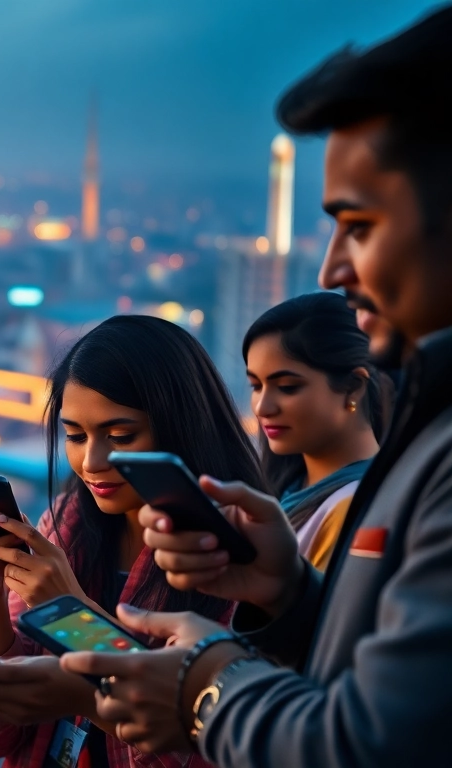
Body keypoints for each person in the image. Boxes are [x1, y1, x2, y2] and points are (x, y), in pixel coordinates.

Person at [59, 7, 452, 765]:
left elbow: (371, 745)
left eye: (360, 226)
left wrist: (205, 684)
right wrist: (295, 596)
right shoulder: (425, 434)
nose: (335, 268)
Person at [0, 315, 261, 768]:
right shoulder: (65, 525)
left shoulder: (234, 556)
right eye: (75, 436)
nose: (92, 461)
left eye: (120, 436)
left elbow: (176, 753)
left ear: (180, 425)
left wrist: (71, 614)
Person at [243, 291, 387, 570]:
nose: (262, 407)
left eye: (287, 387)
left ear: (354, 386)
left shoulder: (352, 505)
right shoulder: (289, 490)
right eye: (256, 386)